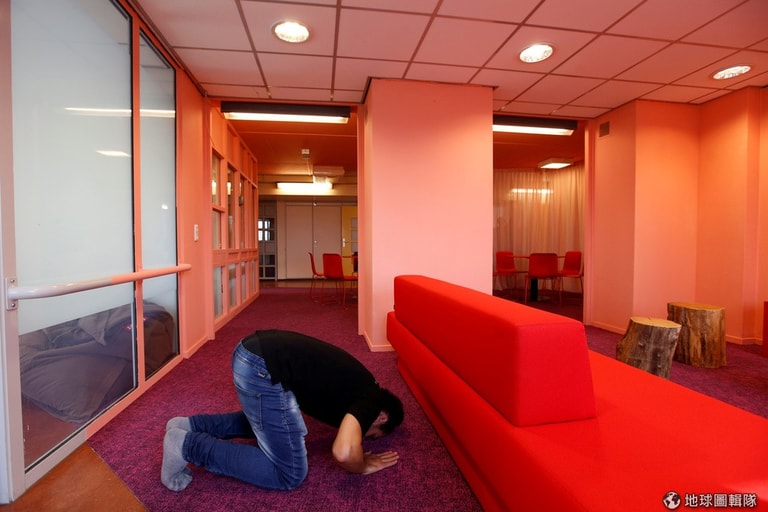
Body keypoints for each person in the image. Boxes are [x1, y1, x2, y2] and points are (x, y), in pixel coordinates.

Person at [161, 329, 404, 492]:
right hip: (261, 367)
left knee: (275, 423)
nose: (361, 437)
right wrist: (363, 464)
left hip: (251, 351)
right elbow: (344, 452)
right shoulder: (372, 400)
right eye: (370, 436)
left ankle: (189, 425)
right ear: (381, 417)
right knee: (289, 473)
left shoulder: (357, 387)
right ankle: (186, 445)